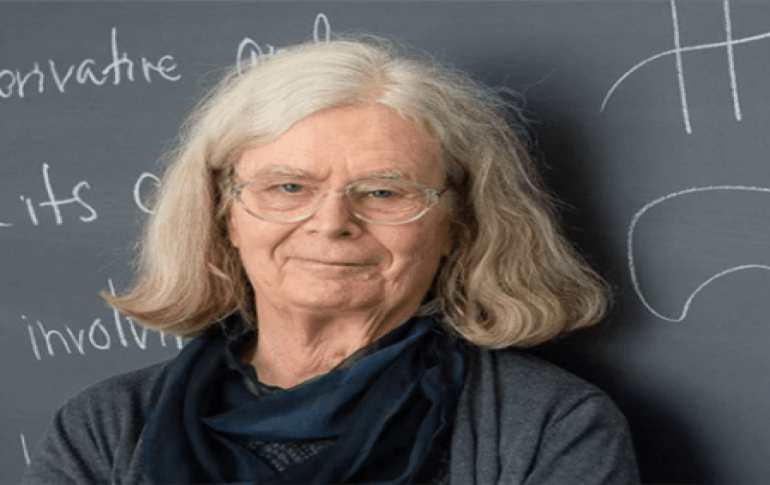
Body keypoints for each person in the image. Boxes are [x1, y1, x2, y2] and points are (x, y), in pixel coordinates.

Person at [20, 37, 639, 485]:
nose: (332, 222)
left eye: (384, 192)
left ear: (457, 224)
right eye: (288, 187)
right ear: (225, 216)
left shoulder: (549, 425)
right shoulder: (107, 426)